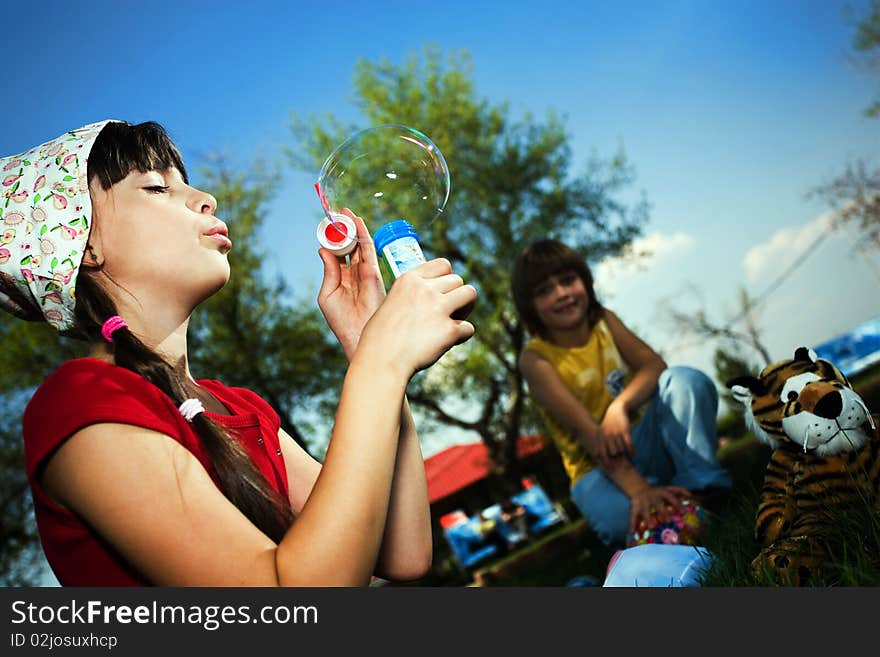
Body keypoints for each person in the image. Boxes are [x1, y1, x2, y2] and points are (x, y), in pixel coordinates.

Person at [0, 120, 477, 586]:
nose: (205, 198)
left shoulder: (240, 408)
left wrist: (367, 345)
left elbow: (403, 552)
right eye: (156, 187)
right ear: (81, 246)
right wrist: (380, 364)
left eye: (185, 182)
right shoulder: (80, 403)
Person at [511, 239, 730, 548]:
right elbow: (587, 433)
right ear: (529, 305)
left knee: (683, 381)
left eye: (567, 280)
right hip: (596, 468)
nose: (561, 293)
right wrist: (639, 490)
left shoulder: (604, 322)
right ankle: (665, 515)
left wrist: (620, 406)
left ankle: (702, 491)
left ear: (584, 281)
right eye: (544, 290)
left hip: (643, 441)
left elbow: (654, 365)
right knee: (620, 522)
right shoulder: (534, 360)